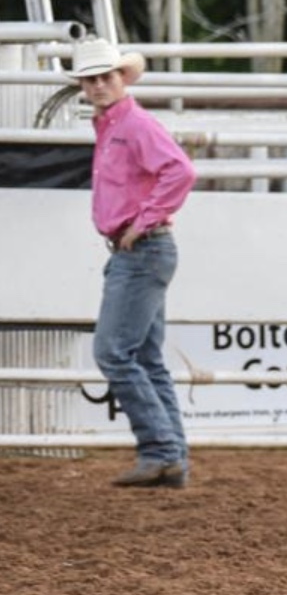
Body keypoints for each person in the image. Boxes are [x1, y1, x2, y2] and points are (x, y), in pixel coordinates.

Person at [71, 36, 197, 489]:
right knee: (145, 356)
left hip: (141, 249)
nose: (101, 85)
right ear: (85, 86)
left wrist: (141, 222)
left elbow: (181, 171)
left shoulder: (132, 125)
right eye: (93, 79)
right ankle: (172, 457)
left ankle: (160, 451)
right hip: (146, 248)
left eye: (107, 77)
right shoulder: (115, 124)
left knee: (113, 351)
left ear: (121, 78)